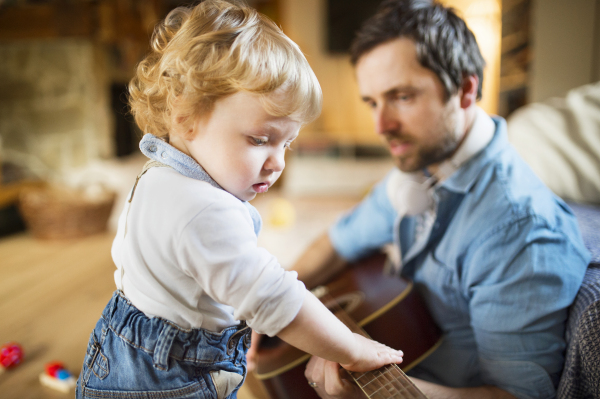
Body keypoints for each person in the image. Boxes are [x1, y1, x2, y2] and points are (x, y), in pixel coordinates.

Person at [75, 1, 403, 398]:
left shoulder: (158, 172)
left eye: (288, 143)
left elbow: (200, 276)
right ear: (185, 116)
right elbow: (275, 298)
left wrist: (230, 328)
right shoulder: (202, 209)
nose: (277, 163)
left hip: (121, 350)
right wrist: (351, 348)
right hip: (167, 377)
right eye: (259, 140)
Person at [292, 1, 591, 398]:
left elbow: (516, 395)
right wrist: (272, 301)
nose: (381, 126)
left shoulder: (520, 231)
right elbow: (336, 242)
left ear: (465, 89)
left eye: (401, 96)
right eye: (372, 102)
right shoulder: (422, 166)